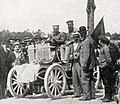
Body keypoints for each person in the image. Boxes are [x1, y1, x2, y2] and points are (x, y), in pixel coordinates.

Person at [78, 32, 97, 101]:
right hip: (91, 64)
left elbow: (86, 54)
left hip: (87, 64)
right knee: (91, 79)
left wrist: (84, 64)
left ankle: (86, 96)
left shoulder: (86, 42)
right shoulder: (89, 40)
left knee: (85, 79)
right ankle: (92, 94)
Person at [98, 35, 114, 102]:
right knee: (104, 82)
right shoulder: (102, 48)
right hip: (102, 66)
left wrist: (108, 65)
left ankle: (109, 97)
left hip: (106, 67)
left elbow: (108, 58)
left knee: (107, 83)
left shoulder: (105, 48)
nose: (99, 41)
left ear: (102, 41)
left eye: (100, 40)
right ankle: (106, 95)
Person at [69, 32, 83, 98]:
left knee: (80, 76)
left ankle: (83, 91)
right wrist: (70, 57)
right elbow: (69, 53)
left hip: (79, 62)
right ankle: (76, 93)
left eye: (76, 37)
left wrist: (79, 55)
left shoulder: (81, 44)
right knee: (74, 78)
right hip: (73, 62)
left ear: (78, 37)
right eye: (74, 37)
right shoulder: (71, 45)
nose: (75, 38)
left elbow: (83, 52)